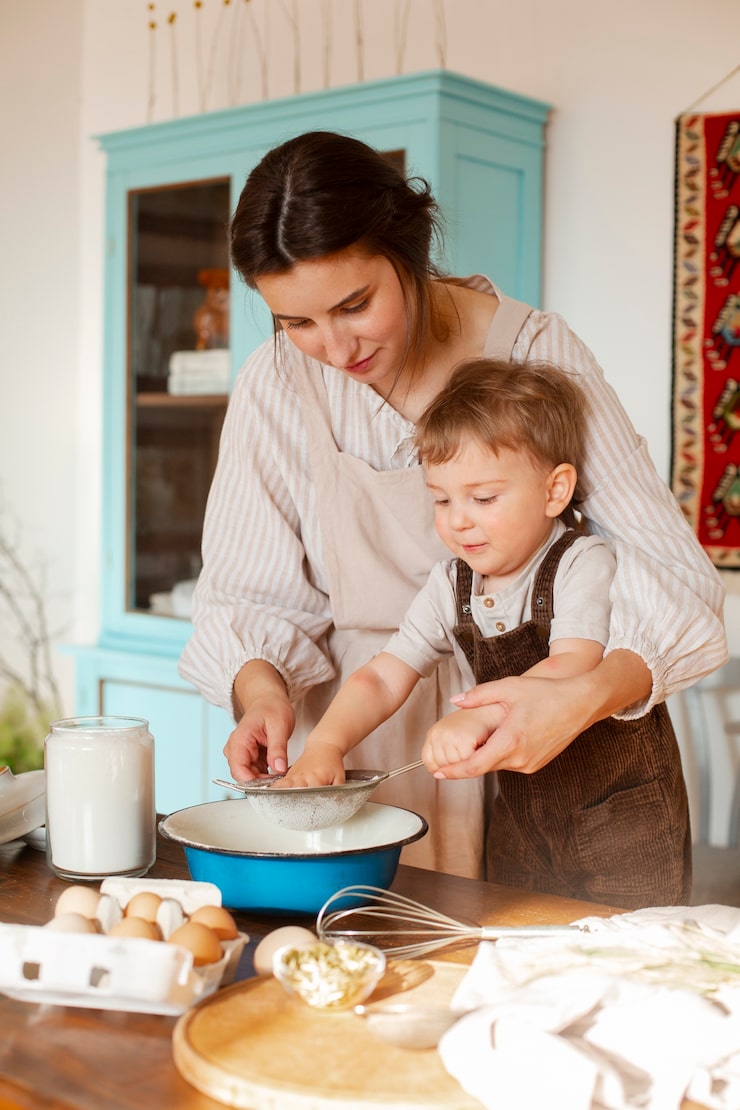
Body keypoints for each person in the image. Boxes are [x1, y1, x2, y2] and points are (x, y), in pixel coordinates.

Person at [179, 129, 726, 882]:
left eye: (355, 304)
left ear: (408, 251)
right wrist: (261, 690)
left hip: (553, 752)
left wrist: (577, 697)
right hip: (360, 755)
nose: (335, 350)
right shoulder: (275, 382)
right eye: (296, 322)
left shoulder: (534, 354)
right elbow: (249, 589)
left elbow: (671, 575)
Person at [278, 358, 691, 908]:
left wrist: (477, 713)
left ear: (554, 491)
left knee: (633, 954)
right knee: (525, 941)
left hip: (622, 819)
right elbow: (383, 676)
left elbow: (573, 666)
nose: (459, 520)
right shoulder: (451, 582)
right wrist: (326, 743)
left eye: (484, 498)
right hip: (523, 820)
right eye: (442, 499)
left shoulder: (581, 561)